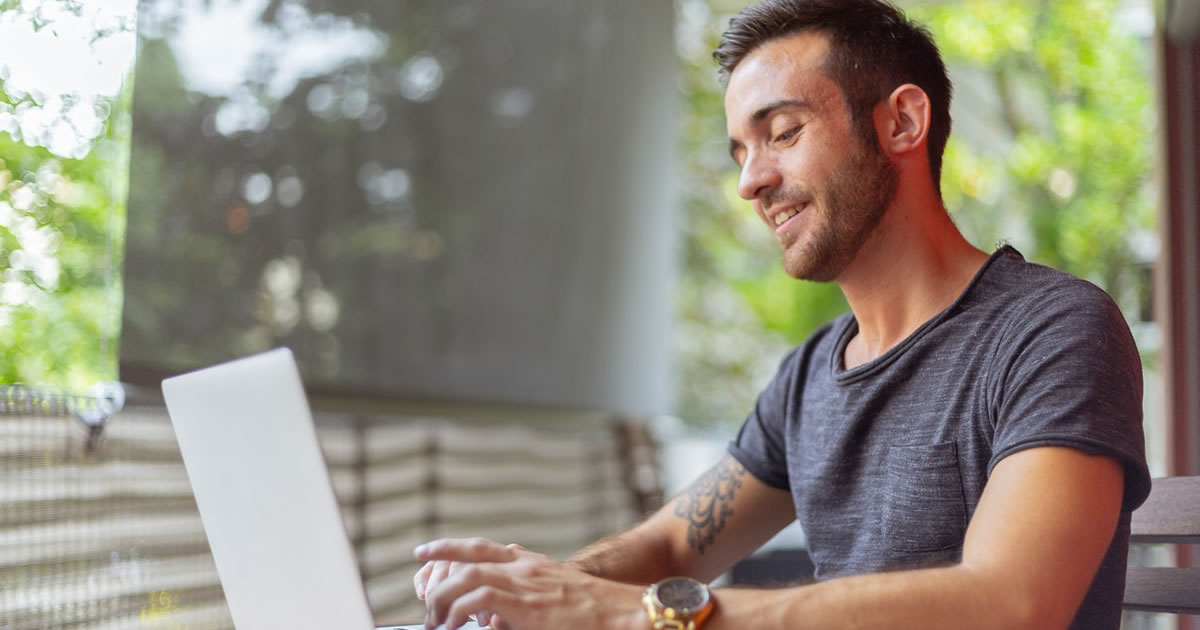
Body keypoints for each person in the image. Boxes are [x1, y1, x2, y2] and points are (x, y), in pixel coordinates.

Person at [411, 1, 1151, 629]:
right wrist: (533, 595)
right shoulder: (810, 377)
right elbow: (673, 548)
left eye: (783, 132)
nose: (750, 181)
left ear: (901, 122)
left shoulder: (1052, 331)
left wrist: (636, 614)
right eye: (740, 150)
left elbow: (1011, 602)